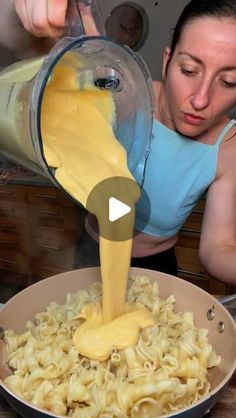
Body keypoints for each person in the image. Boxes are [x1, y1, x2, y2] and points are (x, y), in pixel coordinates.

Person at [0, 0, 236, 285]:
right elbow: (29, 50)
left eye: (228, 82)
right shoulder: (125, 94)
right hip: (89, 252)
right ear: (167, 61)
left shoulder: (229, 146)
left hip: (156, 269)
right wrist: (18, 11)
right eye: (188, 70)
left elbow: (218, 248)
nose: (200, 100)